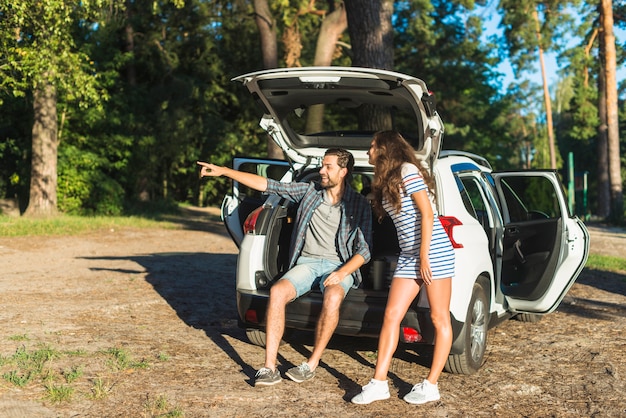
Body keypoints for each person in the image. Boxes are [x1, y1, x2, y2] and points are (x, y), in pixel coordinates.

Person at [198, 148, 372, 387]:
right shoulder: (309, 191)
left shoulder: (359, 205)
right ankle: (269, 367)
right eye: (322, 165)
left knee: (333, 296)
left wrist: (342, 272)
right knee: (277, 291)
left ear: (343, 172)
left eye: (328, 166)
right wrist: (225, 171)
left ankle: (311, 364)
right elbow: (267, 185)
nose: (321, 170)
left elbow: (364, 250)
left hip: (339, 265)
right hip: (306, 263)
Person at [351, 131, 455, 405]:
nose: (368, 151)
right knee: (391, 315)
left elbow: (427, 213)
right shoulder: (386, 180)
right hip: (410, 255)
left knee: (438, 317)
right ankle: (379, 383)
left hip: (432, 252)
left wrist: (423, 257)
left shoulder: (407, 170)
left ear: (386, 148)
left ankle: (431, 384)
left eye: (372, 146)